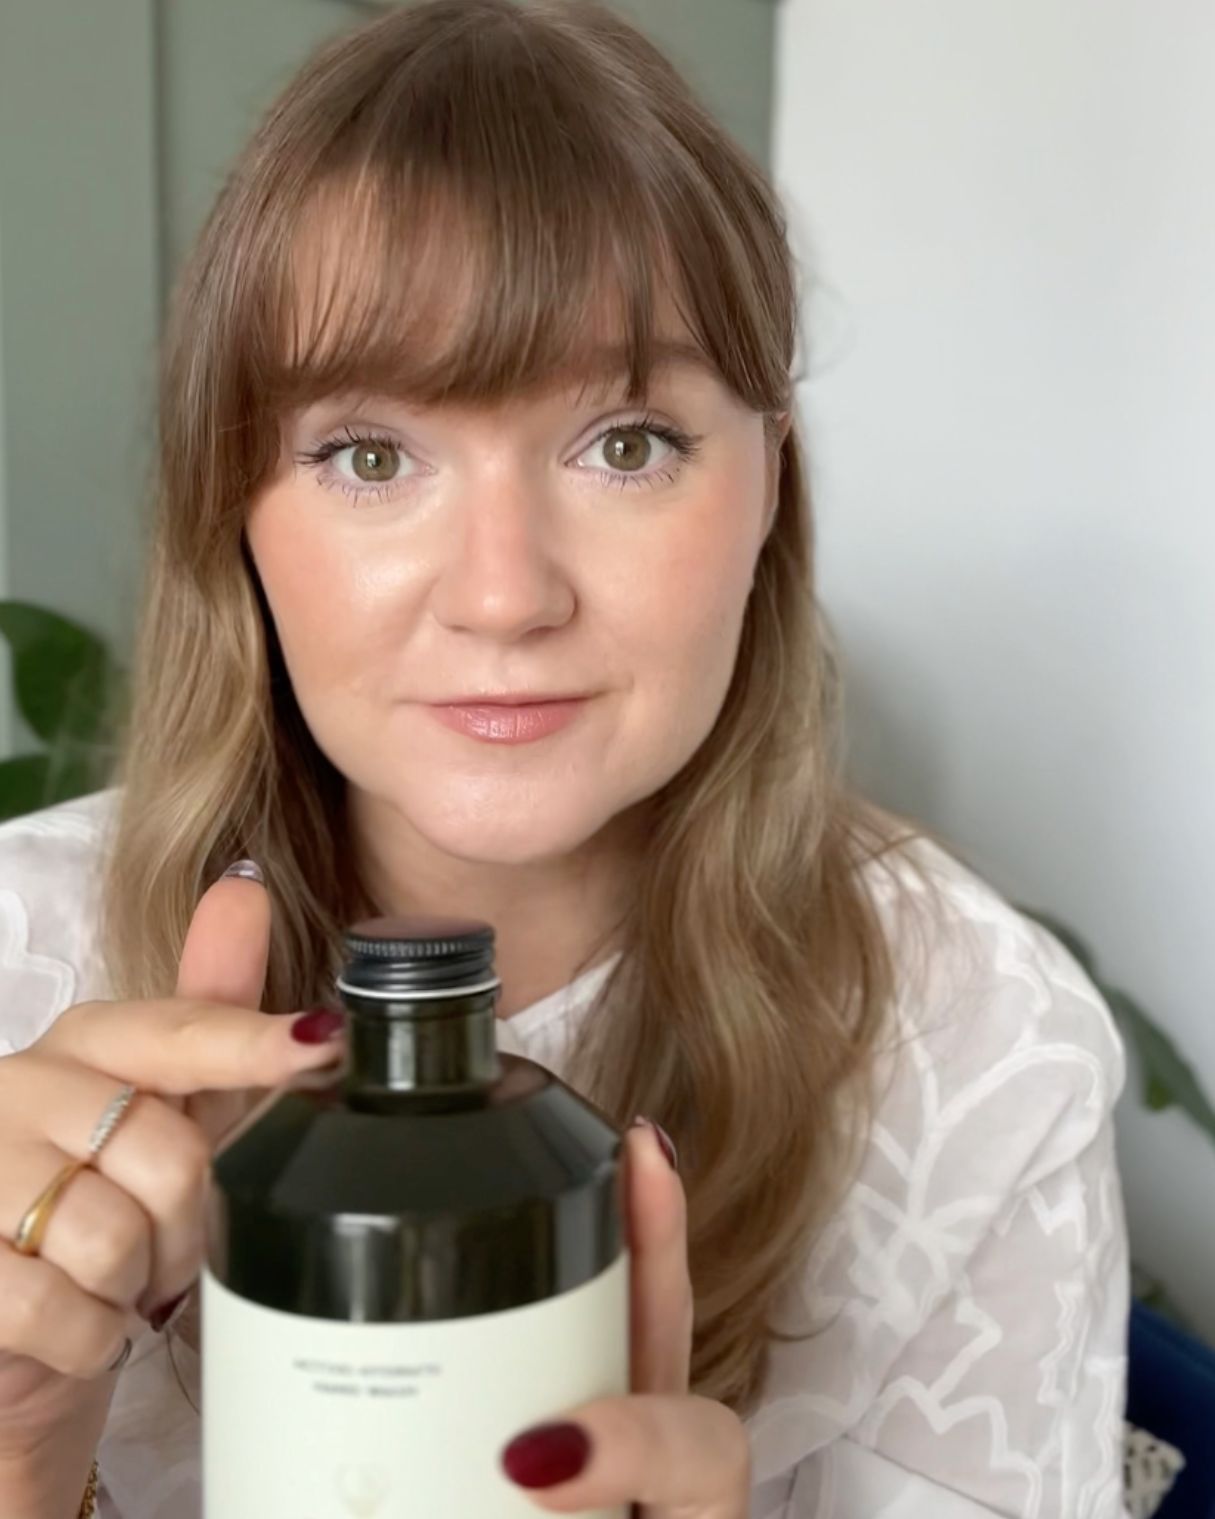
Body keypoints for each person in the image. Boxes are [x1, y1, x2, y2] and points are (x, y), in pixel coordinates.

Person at [0, 2, 1129, 1516]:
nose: (506, 594)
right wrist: (25, 1463)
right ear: (237, 519)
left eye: (626, 442)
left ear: (768, 494)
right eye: (370, 455)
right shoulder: (17, 965)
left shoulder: (979, 1050)